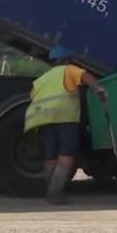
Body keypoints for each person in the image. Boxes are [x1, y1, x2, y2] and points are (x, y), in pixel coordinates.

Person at [24, 44, 106, 205]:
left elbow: (33, 95)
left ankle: (50, 192)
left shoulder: (43, 78)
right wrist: (99, 90)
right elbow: (85, 76)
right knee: (66, 156)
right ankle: (56, 194)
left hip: (45, 119)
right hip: (66, 119)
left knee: (50, 158)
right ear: (67, 59)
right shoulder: (69, 70)